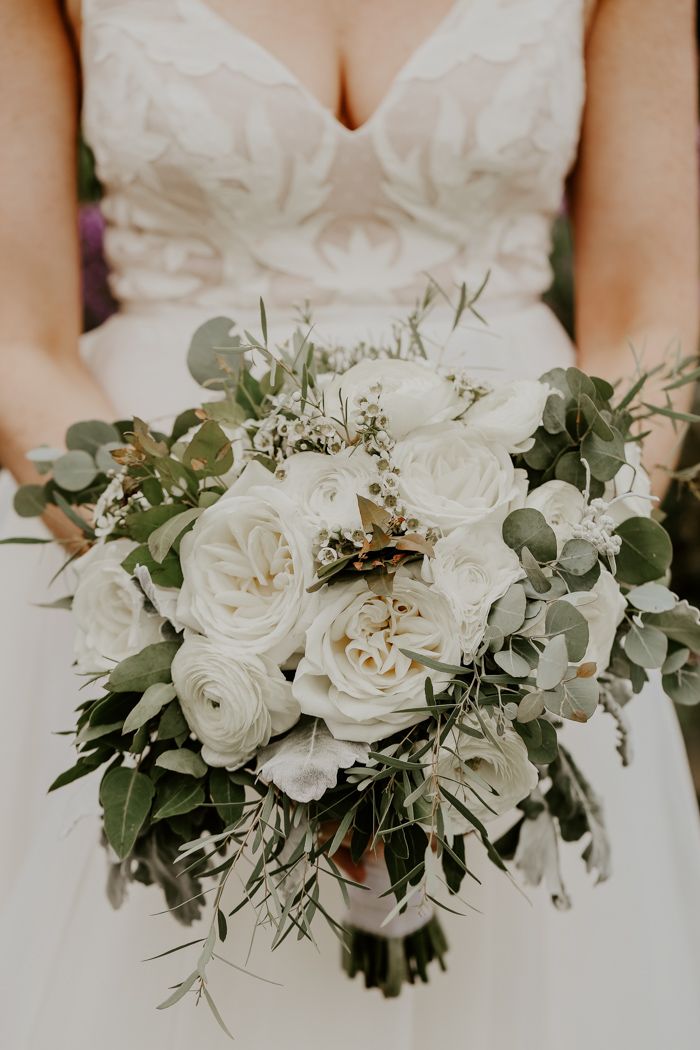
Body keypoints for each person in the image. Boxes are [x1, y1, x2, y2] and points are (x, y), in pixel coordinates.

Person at [1, 1, 699, 1047]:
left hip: (515, 540)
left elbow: (648, 302)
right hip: (138, 549)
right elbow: (16, 330)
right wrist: (199, 597)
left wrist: (536, 601)